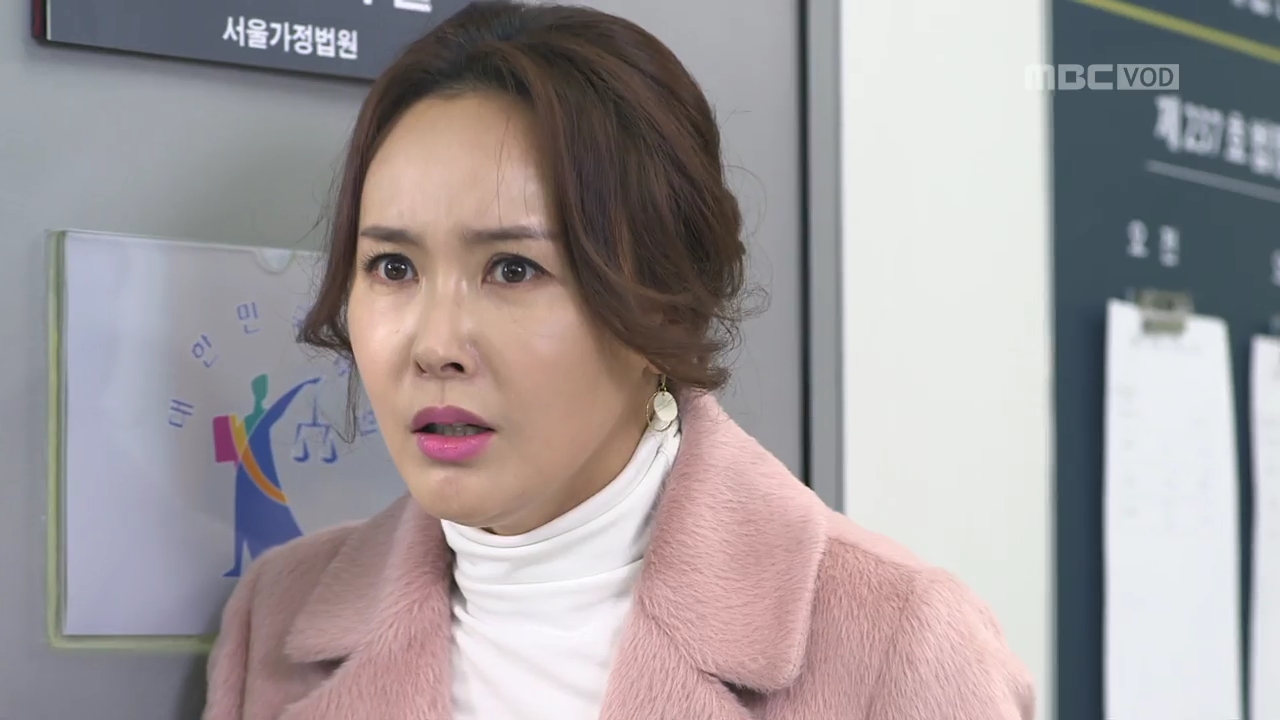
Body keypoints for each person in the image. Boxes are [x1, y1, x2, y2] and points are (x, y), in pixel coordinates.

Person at [201, 2, 1036, 718]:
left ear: (658, 303)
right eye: (393, 267)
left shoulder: (901, 642)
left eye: (513, 270)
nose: (436, 346)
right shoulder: (275, 618)